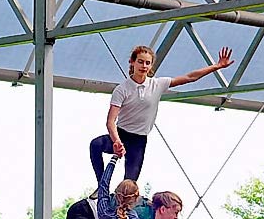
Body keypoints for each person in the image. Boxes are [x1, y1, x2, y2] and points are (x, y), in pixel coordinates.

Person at [89, 45, 234, 185]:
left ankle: (122, 206)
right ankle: (102, 185)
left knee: (130, 183)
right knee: (95, 145)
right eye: (140, 61)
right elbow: (110, 121)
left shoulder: (158, 84)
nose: (144, 66)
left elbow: (190, 77)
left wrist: (217, 66)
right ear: (132, 62)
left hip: (139, 140)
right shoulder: (122, 90)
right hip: (121, 134)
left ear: (151, 66)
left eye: (147, 63)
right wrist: (116, 141)